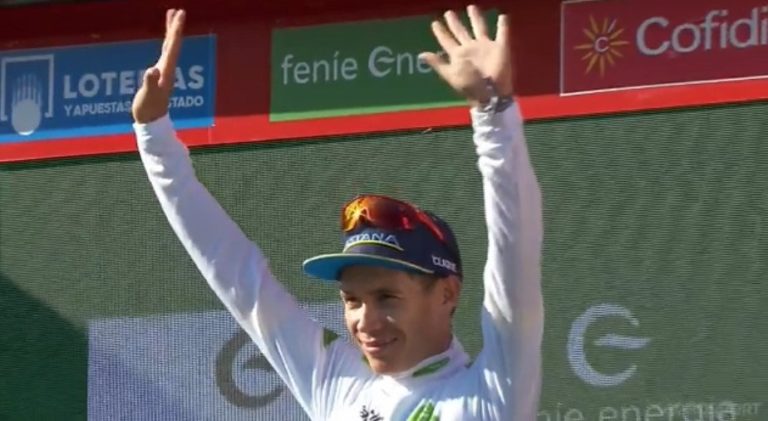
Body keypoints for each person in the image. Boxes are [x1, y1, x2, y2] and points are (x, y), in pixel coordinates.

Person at [132, 4, 543, 420]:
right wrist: (153, 134)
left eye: (387, 297)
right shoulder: (337, 382)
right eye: (352, 300)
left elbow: (514, 252)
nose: (366, 321)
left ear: (447, 294)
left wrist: (493, 114)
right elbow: (235, 274)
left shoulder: (491, 393)